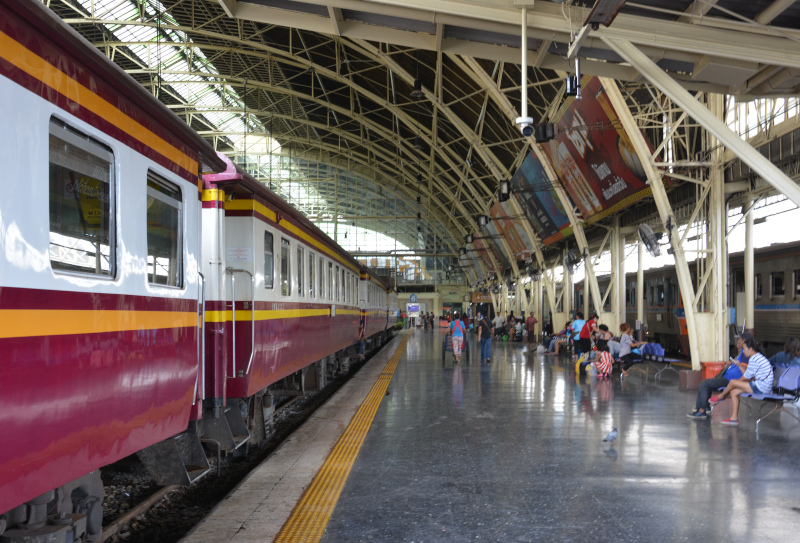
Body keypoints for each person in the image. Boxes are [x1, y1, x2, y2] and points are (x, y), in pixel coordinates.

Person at [712, 334, 773, 426]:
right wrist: (740, 365)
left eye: (744, 349)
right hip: (761, 385)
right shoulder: (757, 357)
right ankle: (733, 419)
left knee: (732, 382)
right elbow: (746, 375)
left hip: (762, 387)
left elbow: (745, 377)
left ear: (751, 349)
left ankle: (721, 396)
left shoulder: (754, 359)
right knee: (734, 392)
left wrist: (735, 383)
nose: (743, 352)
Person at [687, 334, 750, 420]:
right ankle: (705, 407)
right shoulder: (742, 353)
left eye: (740, 340)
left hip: (730, 380)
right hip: (727, 378)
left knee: (704, 384)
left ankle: (701, 411)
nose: (738, 341)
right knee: (708, 383)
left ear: (745, 341)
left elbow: (745, 371)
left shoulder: (746, 354)